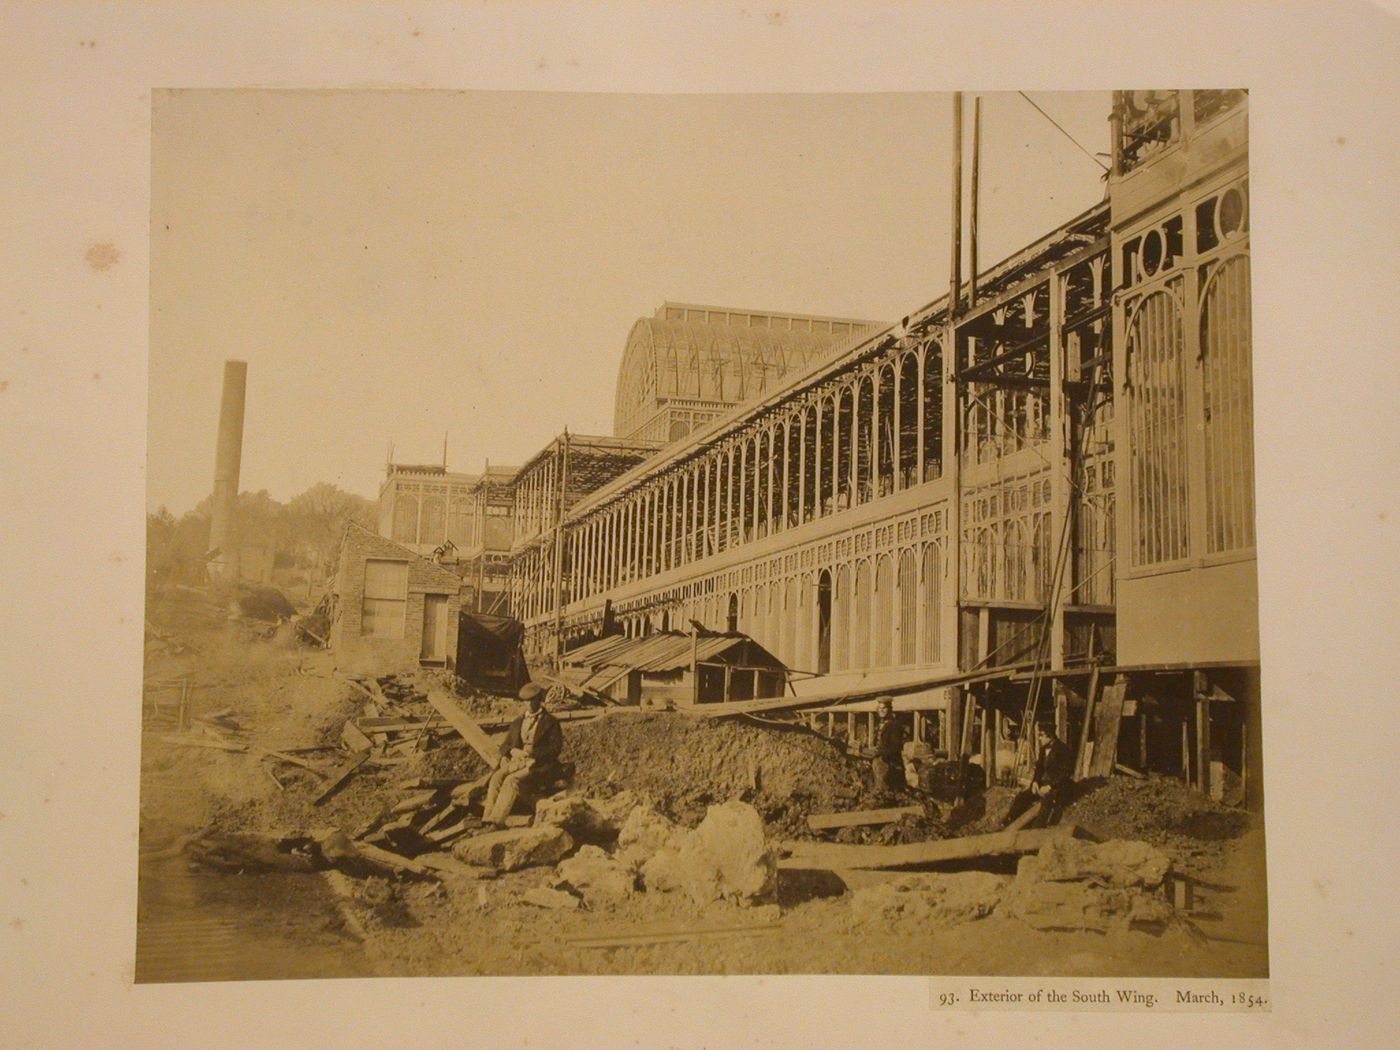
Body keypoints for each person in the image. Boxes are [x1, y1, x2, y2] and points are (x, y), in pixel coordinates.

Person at [481, 681, 564, 826]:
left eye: (533, 700)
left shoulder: (550, 722)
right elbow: (505, 745)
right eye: (527, 701)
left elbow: (555, 748)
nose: (530, 704)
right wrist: (512, 751)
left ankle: (496, 821)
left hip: (538, 764)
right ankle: (486, 819)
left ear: (540, 700)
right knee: (496, 778)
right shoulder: (518, 722)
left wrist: (533, 754)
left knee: (511, 781)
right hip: (517, 761)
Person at [1002, 723, 1075, 828]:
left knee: (1047, 802)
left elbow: (1065, 773)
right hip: (1043, 784)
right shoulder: (1043, 749)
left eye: (1041, 735)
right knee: (1022, 797)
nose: (1039, 738)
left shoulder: (1063, 750)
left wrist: (1050, 787)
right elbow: (1039, 768)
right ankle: (1008, 823)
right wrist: (1035, 782)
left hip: (1059, 786)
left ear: (1049, 735)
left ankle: (1037, 830)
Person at [871, 697, 908, 792]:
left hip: (891, 763)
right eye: (880, 708)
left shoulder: (894, 725)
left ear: (890, 709)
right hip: (882, 761)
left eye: (884, 708)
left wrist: (881, 753)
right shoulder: (881, 724)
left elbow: (895, 746)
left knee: (890, 791)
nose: (881, 710)